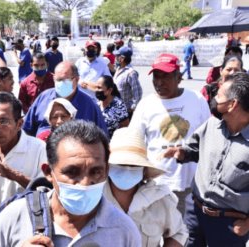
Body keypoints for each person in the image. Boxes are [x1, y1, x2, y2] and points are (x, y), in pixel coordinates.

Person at [0, 120, 141, 246]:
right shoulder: (15, 217)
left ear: (106, 171)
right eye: (72, 172)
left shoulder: (124, 231)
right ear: (48, 172)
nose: (85, 183)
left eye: (95, 172)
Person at [163, 72, 249, 246]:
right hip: (194, 212)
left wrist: (248, 224)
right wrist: (182, 153)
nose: (214, 98)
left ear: (232, 104)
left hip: (229, 224)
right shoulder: (211, 125)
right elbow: (194, 148)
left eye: (219, 96)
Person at [129, 53, 211, 216]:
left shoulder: (196, 99)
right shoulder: (145, 104)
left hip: (192, 185)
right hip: (156, 185)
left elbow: (208, 138)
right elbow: (134, 142)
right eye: (156, 77)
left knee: (186, 236)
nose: (159, 82)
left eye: (165, 77)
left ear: (178, 77)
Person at [0, 92, 47, 246]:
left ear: (19, 124)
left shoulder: (39, 150)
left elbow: (47, 194)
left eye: (4, 121)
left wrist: (15, 176)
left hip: (27, 237)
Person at [105, 127, 188, 246]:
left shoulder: (160, 199)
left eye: (134, 165)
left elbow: (178, 232)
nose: (127, 169)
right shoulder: (93, 198)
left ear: (143, 170)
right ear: (108, 167)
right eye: (120, 164)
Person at [23, 61, 108, 137]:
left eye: (65, 80)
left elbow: (102, 138)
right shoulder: (43, 98)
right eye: (58, 80)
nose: (61, 83)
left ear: (77, 79)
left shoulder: (90, 105)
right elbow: (26, 129)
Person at [113, 46, 142, 118]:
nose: (115, 58)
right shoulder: (118, 69)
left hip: (126, 111)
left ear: (122, 58)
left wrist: (132, 108)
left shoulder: (131, 73)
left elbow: (138, 93)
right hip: (116, 108)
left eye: (117, 56)